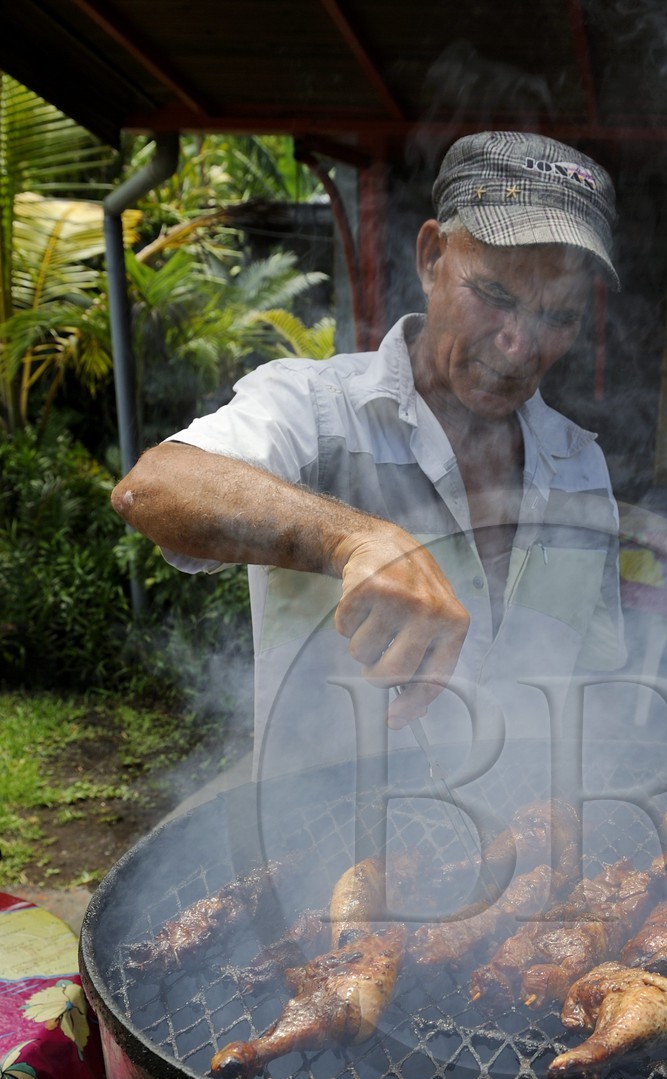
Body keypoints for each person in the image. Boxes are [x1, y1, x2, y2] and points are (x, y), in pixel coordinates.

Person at [113, 130, 625, 778]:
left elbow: (596, 687)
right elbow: (155, 486)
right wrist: (352, 540)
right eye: (495, 295)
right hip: (320, 851)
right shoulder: (315, 408)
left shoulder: (581, 467)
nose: (520, 345)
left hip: (514, 850)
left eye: (560, 316)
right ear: (432, 256)